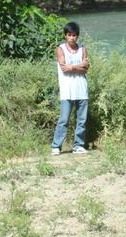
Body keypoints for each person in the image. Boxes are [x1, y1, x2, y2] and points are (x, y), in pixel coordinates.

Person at [51, 21, 89, 156]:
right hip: (67, 90)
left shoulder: (83, 48)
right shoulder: (60, 49)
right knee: (64, 120)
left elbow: (85, 69)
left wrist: (72, 67)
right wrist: (80, 65)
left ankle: (78, 145)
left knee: (81, 120)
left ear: (77, 36)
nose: (72, 38)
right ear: (65, 36)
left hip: (82, 89)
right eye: (69, 35)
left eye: (74, 35)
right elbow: (64, 68)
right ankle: (56, 146)